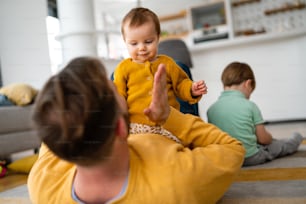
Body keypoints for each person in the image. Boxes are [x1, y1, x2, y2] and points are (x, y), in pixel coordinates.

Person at [28, 56, 245, 204]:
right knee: (177, 66)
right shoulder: (178, 179)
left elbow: (56, 122)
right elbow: (232, 148)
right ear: (122, 127)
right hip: (168, 131)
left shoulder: (43, 185)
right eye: (116, 91)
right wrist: (168, 116)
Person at [113, 7, 207, 141]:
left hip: (168, 124)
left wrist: (191, 89)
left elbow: (181, 84)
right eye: (134, 44)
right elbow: (119, 96)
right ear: (125, 42)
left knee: (179, 147)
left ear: (158, 37)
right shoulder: (123, 68)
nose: (141, 48)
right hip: (138, 127)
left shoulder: (167, 63)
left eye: (148, 42)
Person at [207, 61, 303, 166]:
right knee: (279, 145)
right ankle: (297, 137)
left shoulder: (211, 110)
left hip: (226, 159)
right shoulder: (250, 106)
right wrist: (269, 138)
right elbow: (263, 139)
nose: (249, 96)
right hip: (249, 158)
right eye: (250, 92)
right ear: (248, 84)